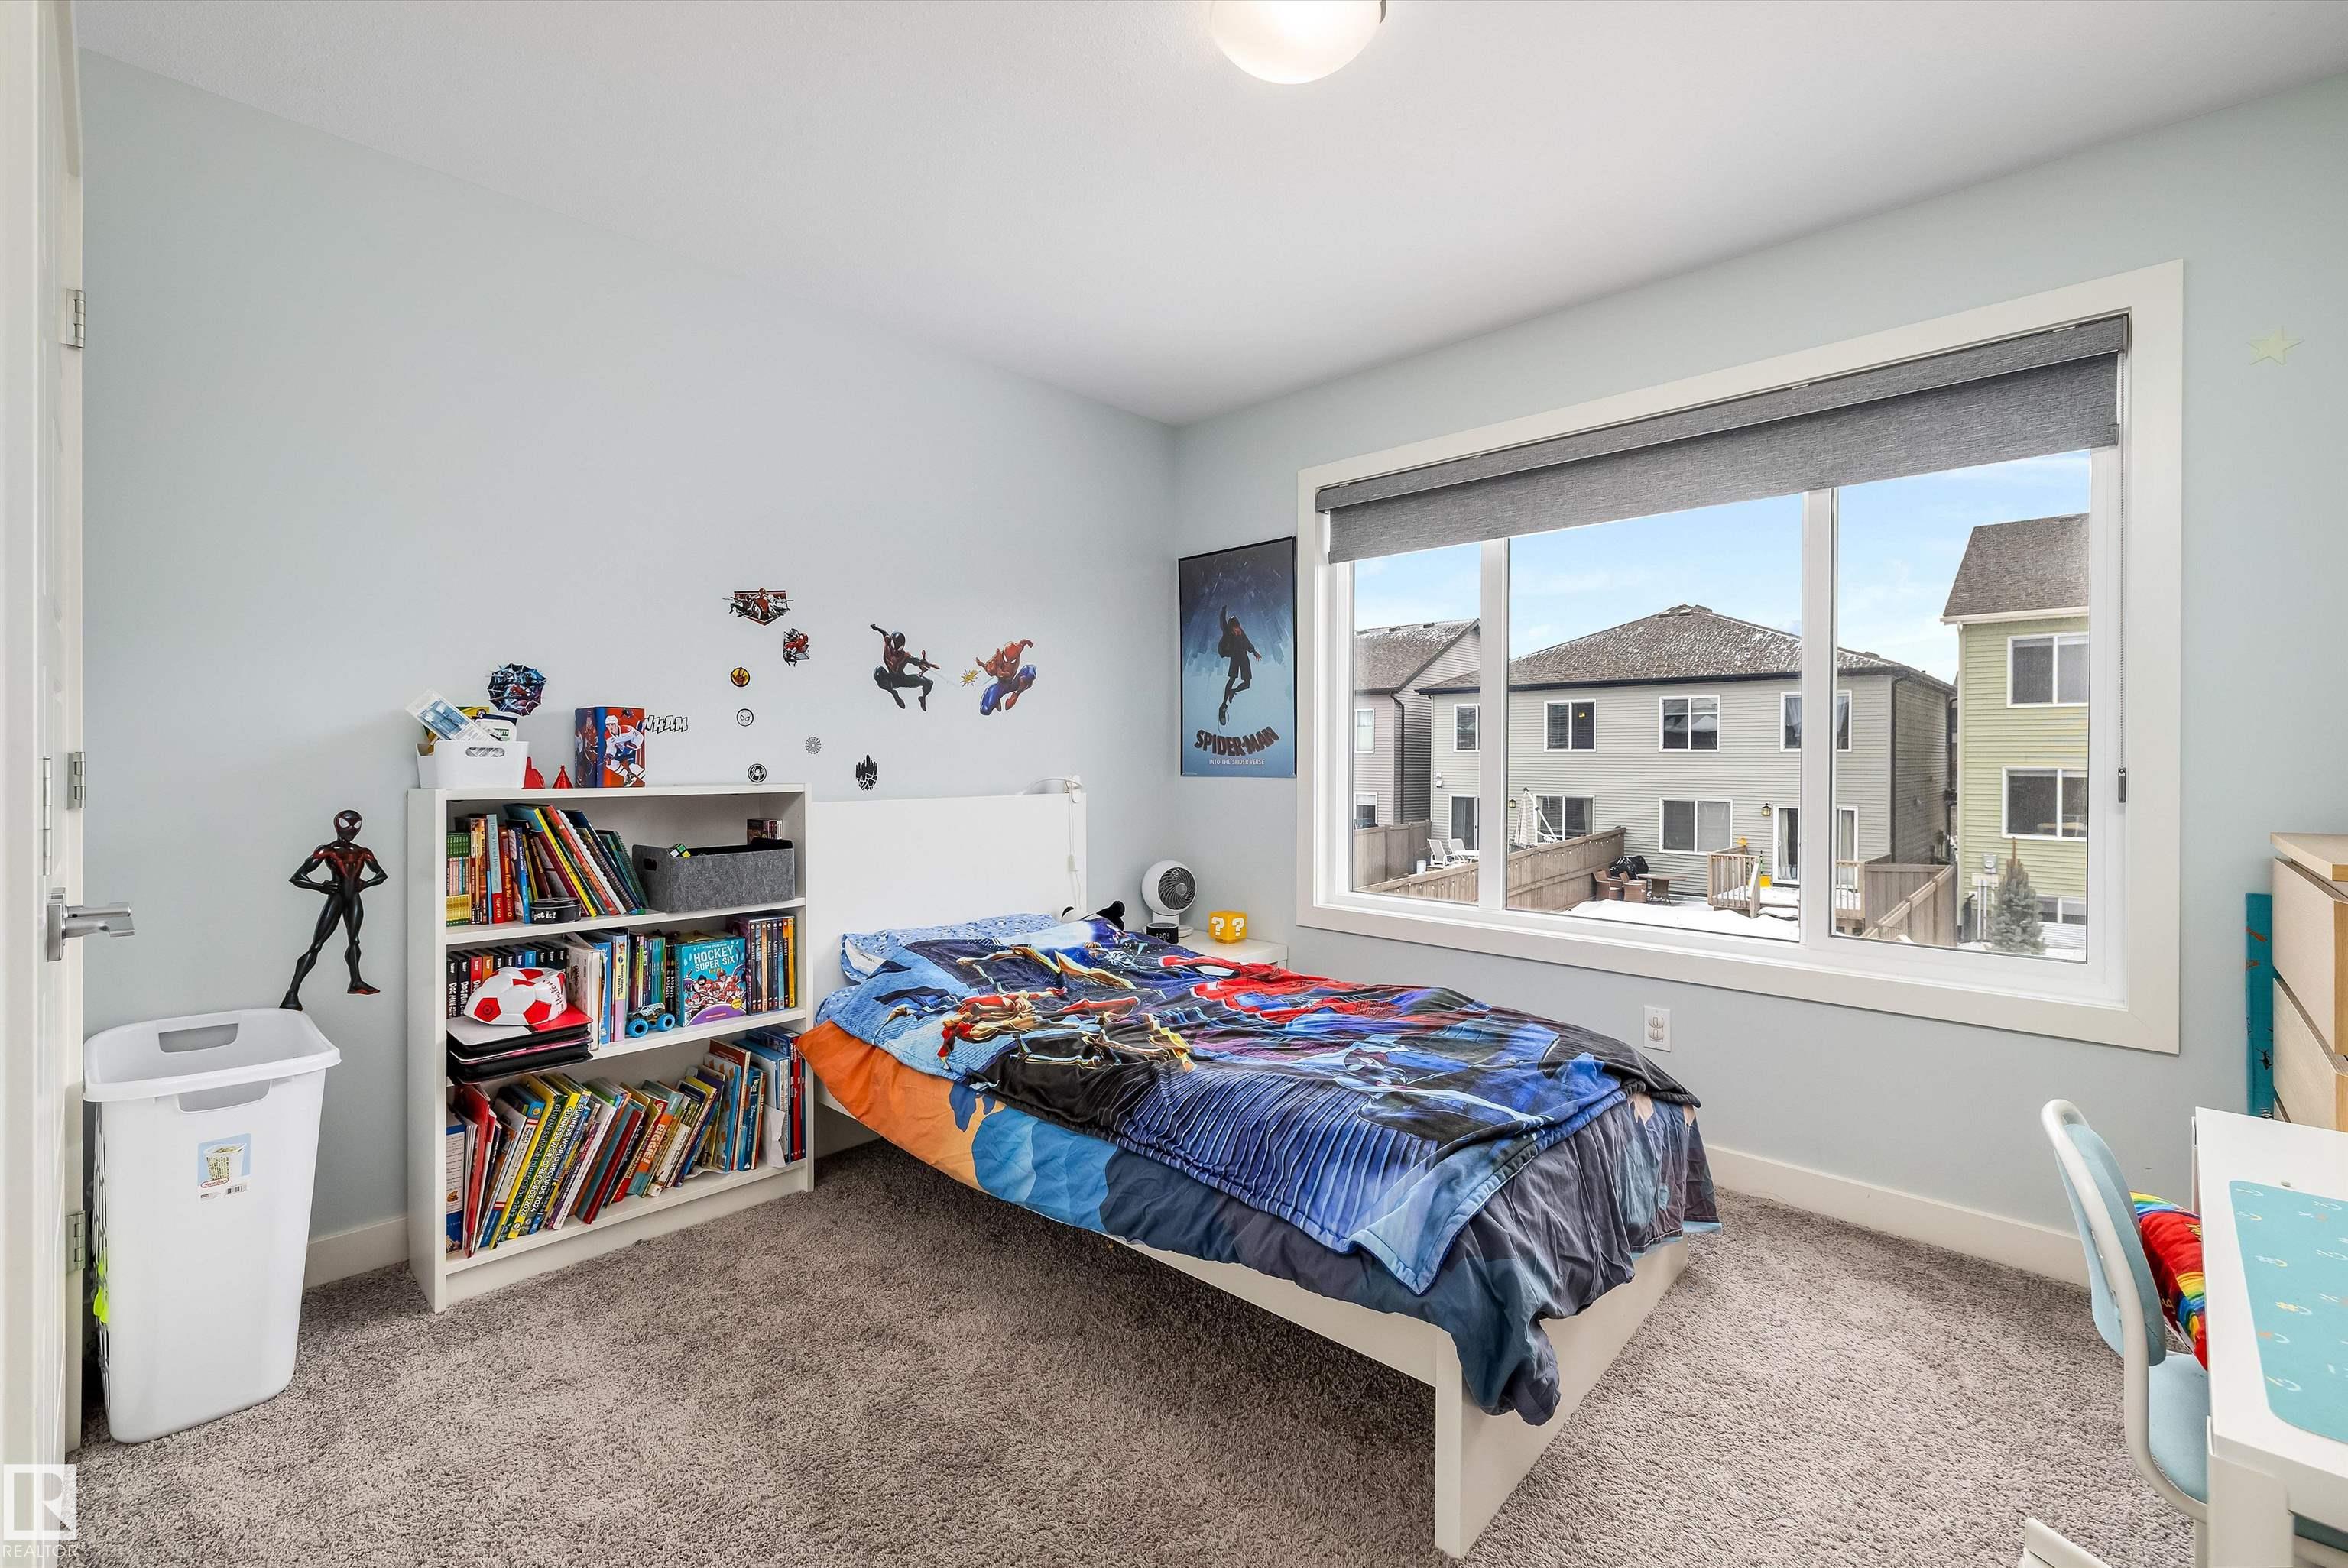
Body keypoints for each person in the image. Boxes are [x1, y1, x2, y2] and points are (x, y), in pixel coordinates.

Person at [281, 809, 388, 1009]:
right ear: (338, 825)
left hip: (353, 898)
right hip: (337, 898)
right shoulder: (328, 850)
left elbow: (381, 875)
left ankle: (356, 981)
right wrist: (319, 887)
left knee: (354, 940)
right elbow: (298, 877)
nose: (351, 830)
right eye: (347, 825)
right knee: (316, 945)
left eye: (356, 825)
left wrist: (366, 883)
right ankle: (291, 994)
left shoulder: (363, 852)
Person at [871, 624, 939, 711]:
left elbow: (914, 661)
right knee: (878, 671)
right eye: (894, 647)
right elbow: (884, 633)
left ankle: (922, 698)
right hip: (890, 681)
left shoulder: (905, 656)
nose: (896, 651)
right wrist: (876, 628)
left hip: (903, 680)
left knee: (929, 683)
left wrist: (922, 663)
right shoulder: (888, 646)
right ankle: (894, 693)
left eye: (898, 649)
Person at [1216, 607, 1260, 727]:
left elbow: (1247, 642)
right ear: (1231, 628)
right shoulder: (1228, 632)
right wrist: (1223, 610)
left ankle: (1233, 691)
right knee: (1232, 679)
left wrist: (1254, 652)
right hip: (1235, 656)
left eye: (1238, 627)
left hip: (1243, 656)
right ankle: (1223, 705)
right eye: (1235, 628)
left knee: (1247, 684)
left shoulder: (1241, 632)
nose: (1238, 630)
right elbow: (1222, 621)